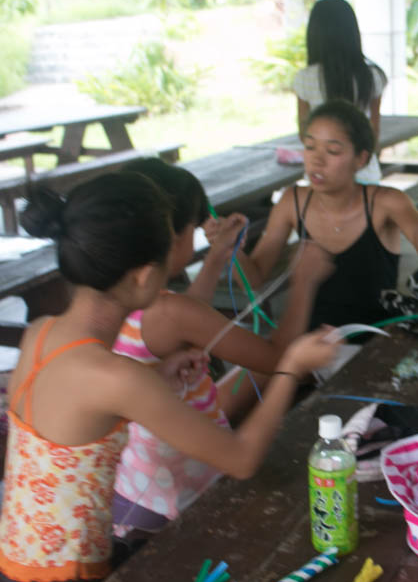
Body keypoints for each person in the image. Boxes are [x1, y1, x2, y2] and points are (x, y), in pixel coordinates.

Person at [0, 173, 337, 582]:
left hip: (9, 575)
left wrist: (158, 376)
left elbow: (69, 424)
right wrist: (290, 369)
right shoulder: (118, 378)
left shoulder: (41, 334)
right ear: (145, 275)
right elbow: (241, 459)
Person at [109, 158, 333, 543]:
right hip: (174, 505)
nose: (197, 236)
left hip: (135, 490)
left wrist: (215, 259)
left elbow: (180, 321)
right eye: (193, 229)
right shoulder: (171, 312)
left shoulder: (117, 292)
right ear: (170, 235)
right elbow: (277, 357)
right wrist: (304, 282)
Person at [210, 99, 418, 331]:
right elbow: (256, 276)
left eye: (333, 150)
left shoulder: (385, 202)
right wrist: (227, 249)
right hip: (313, 347)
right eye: (310, 146)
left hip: (375, 341)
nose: (317, 160)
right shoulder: (292, 202)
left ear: (361, 159)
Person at [293, 0, 388, 184]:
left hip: (322, 176)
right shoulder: (372, 76)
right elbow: (373, 132)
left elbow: (304, 132)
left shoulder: (305, 78)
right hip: (364, 171)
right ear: (353, 32)